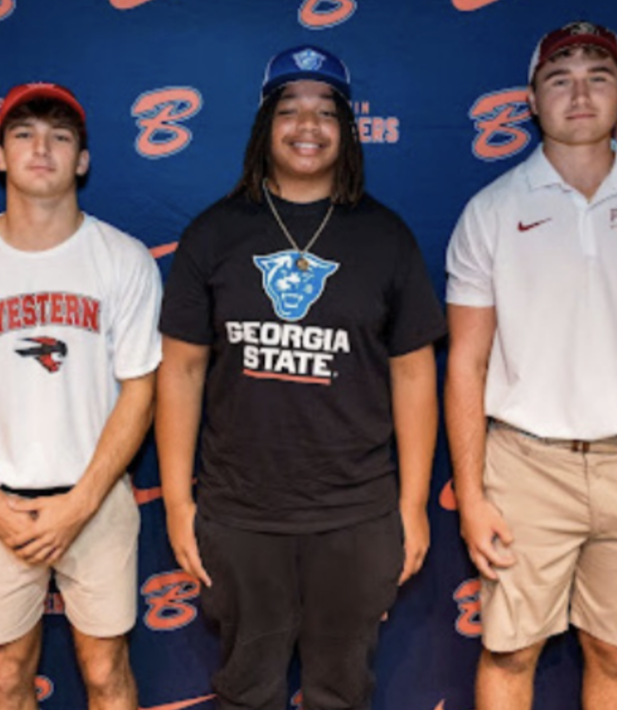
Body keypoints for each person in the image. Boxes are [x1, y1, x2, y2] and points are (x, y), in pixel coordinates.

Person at [157, 45, 447, 710]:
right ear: (265, 125)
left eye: (326, 111)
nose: (307, 125)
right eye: (289, 109)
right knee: (244, 691)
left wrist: (411, 505)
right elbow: (182, 371)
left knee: (342, 692)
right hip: (240, 515)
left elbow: (412, 378)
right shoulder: (214, 234)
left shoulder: (386, 237)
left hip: (355, 515)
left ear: (347, 129)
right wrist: (177, 501)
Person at [445, 21, 617, 710]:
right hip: (527, 467)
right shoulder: (490, 212)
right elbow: (466, 364)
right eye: (559, 79)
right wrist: (471, 495)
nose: (580, 93)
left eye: (598, 76)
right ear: (531, 100)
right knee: (509, 651)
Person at [0, 82, 162, 710]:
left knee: (104, 669)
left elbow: (141, 388)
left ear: (83, 160)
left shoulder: (122, 259)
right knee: (9, 674)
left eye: (60, 137)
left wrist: (83, 501)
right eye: (23, 134)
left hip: (94, 500)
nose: (41, 148)